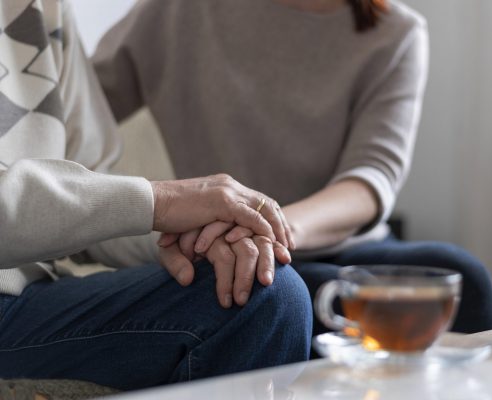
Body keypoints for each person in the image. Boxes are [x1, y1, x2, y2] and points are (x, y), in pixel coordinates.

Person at [93, 0, 492, 334]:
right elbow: (78, 111)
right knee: (283, 294)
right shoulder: (177, 10)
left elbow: (371, 177)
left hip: (328, 246)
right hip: (232, 254)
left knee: (461, 276)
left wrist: (269, 228)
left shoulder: (397, 32)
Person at [0, 0, 312, 393]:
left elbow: (93, 180)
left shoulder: (41, 8)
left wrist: (195, 237)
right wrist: (161, 202)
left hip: (31, 296)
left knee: (265, 290)